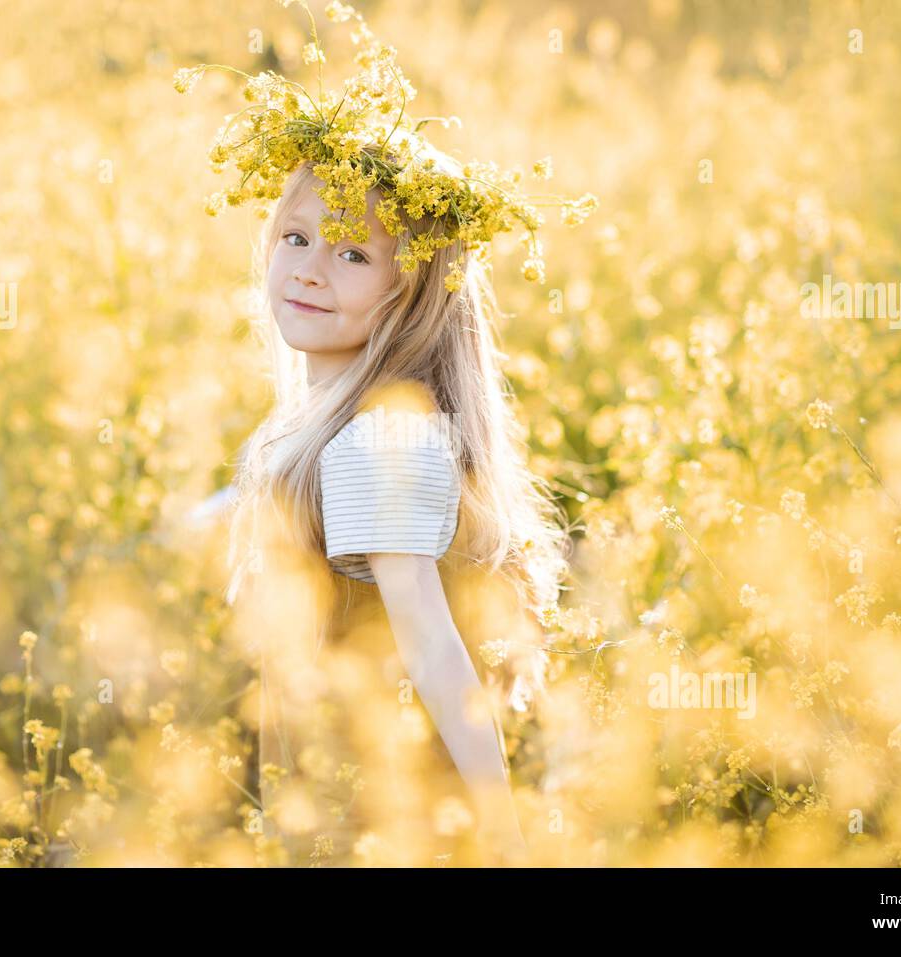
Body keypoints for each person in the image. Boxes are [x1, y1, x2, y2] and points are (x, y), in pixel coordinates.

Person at [174, 0, 597, 867]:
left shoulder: (381, 437)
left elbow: (433, 641)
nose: (309, 268)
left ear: (413, 295)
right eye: (295, 236)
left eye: (352, 253)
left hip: (381, 810)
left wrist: (506, 837)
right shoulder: (336, 423)